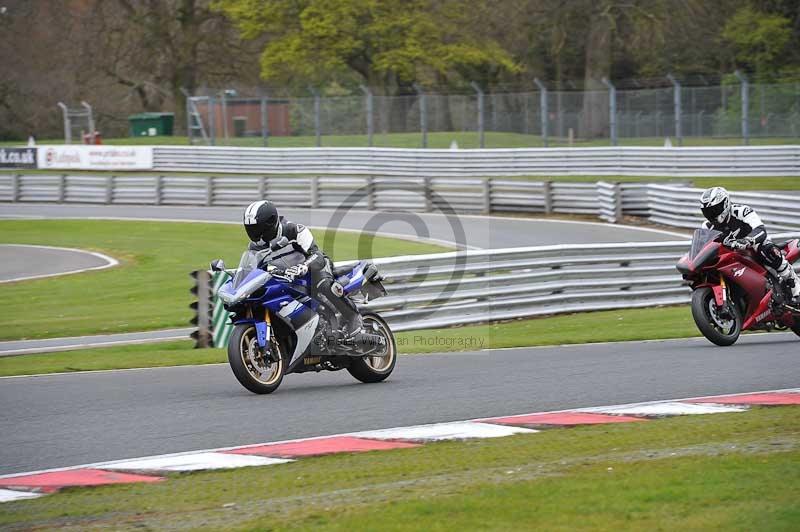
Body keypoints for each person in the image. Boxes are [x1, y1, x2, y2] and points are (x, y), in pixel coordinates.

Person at [242, 200, 363, 336]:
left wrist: (304, 266)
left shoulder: (294, 231)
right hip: (288, 277)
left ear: (270, 223)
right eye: (251, 229)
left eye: (257, 229)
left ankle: (353, 317)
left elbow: (316, 255)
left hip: (315, 268)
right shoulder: (254, 247)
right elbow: (255, 269)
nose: (255, 234)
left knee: (325, 284)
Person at [700, 186, 799, 305]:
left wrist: (748, 241)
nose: (711, 215)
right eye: (708, 212)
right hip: (730, 254)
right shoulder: (707, 226)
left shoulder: (741, 211)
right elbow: (704, 246)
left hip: (754, 246)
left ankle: (795, 287)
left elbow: (760, 229)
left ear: (725, 204)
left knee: (767, 250)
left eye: (714, 210)